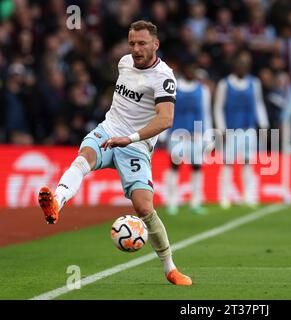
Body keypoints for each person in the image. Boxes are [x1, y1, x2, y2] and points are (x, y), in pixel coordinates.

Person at [37, 20, 192, 286]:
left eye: (142, 43)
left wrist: (129, 138)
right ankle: (57, 203)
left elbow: (165, 120)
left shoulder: (164, 77)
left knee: (143, 207)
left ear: (155, 44)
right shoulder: (123, 63)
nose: (136, 49)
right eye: (132, 43)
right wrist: (115, 133)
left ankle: (170, 268)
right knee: (84, 155)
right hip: (109, 130)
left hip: (135, 144)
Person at [214, 50, 269, 208]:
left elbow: (259, 104)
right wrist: (221, 128)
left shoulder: (254, 83)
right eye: (240, 65)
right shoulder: (225, 84)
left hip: (248, 129)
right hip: (230, 130)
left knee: (248, 163)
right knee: (228, 164)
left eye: (245, 65)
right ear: (234, 66)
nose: (242, 68)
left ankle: (249, 196)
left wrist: (264, 125)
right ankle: (224, 197)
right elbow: (218, 107)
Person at [165, 59, 212, 215]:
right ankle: (172, 202)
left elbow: (206, 113)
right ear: (184, 70)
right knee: (174, 167)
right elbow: (166, 110)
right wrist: (164, 132)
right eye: (189, 69)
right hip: (177, 134)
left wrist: (209, 134)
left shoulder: (203, 90)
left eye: (193, 69)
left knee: (197, 167)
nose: (191, 72)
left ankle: (195, 202)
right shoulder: (174, 88)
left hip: (196, 135)